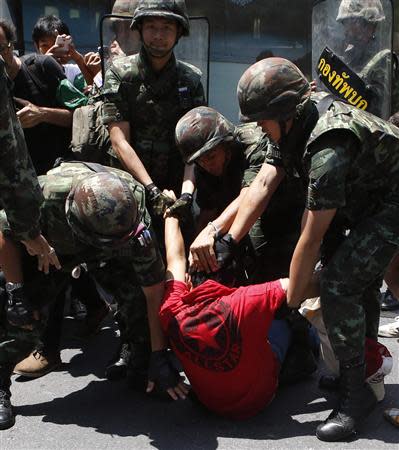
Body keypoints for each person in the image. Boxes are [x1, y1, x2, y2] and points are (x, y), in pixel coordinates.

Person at [227, 57, 399, 441]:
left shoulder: (326, 146)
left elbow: (311, 235)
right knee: (356, 280)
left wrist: (288, 298)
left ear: (285, 114)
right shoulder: (294, 128)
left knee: (339, 283)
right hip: (365, 198)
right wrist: (227, 240)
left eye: (262, 119)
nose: (257, 127)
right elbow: (263, 183)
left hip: (391, 202)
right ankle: (365, 371)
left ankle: (355, 395)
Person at [0, 161, 187, 430]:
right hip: (49, 249)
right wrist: (16, 291)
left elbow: (153, 293)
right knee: (19, 311)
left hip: (111, 249)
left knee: (135, 296)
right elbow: (4, 230)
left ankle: (141, 367)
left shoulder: (133, 216)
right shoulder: (45, 198)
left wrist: (160, 354)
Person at [160, 190, 319, 419]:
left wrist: (170, 214)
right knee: (285, 316)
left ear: (189, 283)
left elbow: (174, 257)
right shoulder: (244, 301)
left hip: (210, 403)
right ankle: (305, 352)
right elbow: (300, 285)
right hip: (259, 400)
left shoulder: (171, 309)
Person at [172, 106, 304, 283]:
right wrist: (197, 259)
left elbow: (251, 194)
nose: (206, 165)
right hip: (238, 220)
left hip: (283, 215)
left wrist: (212, 230)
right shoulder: (203, 164)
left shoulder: (254, 143)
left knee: (256, 246)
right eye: (200, 161)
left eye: (211, 157)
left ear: (225, 143)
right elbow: (207, 212)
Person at [102, 0, 205, 219]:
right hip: (127, 190)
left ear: (179, 32)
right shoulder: (120, 74)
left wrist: (186, 195)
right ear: (139, 29)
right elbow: (119, 141)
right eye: (151, 27)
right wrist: (151, 190)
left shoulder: (191, 79)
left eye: (167, 28)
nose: (158, 35)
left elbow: (194, 146)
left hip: (175, 189)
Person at [0, 54, 60, 429]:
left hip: (23, 207)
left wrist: (33, 236)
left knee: (26, 297)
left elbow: (12, 161)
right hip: (17, 212)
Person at [32, 15, 100, 90]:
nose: (52, 49)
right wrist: (45, 61)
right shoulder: (30, 73)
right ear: (36, 46)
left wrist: (78, 59)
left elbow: (93, 88)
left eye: (57, 44)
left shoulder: (74, 73)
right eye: (45, 46)